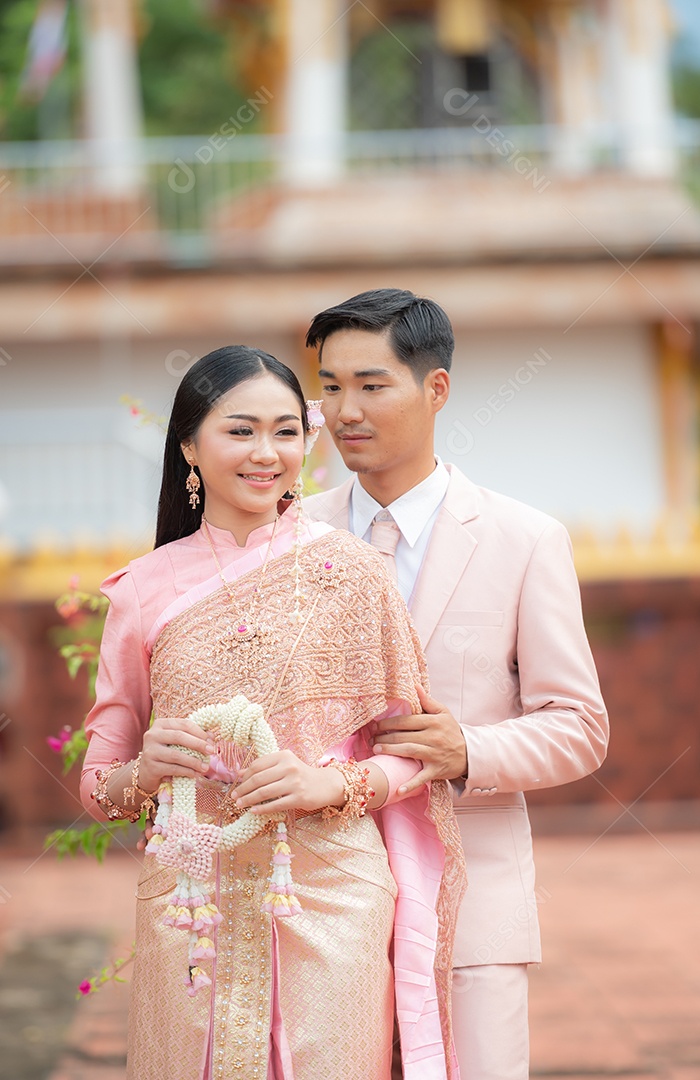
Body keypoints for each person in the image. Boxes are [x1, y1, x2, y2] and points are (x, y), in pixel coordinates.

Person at [80, 345, 466, 1080]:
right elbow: (99, 782)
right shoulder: (142, 590)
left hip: (330, 893)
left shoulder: (354, 572)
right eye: (241, 431)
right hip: (194, 904)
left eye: (287, 431)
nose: (268, 453)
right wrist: (143, 774)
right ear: (190, 445)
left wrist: (334, 786)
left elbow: (415, 748)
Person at [303, 289, 609, 1080]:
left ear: (435, 389)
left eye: (372, 385)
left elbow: (579, 724)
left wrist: (466, 748)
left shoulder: (525, 540)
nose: (345, 411)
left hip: (472, 913)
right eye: (330, 387)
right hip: (316, 906)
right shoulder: (287, 536)